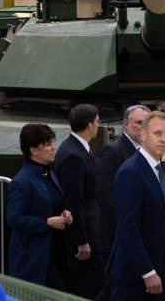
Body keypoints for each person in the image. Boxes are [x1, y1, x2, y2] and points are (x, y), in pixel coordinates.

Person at [109, 111, 165, 301]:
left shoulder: (159, 170)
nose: (164, 139)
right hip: (136, 276)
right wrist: (147, 272)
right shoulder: (131, 172)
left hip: (163, 270)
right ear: (143, 134)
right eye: (157, 133)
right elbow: (129, 227)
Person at [6, 123, 73, 290]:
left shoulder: (48, 173)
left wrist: (65, 213)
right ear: (33, 150)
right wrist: (46, 222)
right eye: (48, 144)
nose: (53, 148)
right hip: (34, 257)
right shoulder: (22, 181)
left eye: (52, 143)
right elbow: (14, 218)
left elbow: (54, 202)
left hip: (55, 251)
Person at [54, 104, 104, 299]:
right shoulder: (74, 155)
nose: (98, 126)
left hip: (90, 228)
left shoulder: (76, 148)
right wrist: (81, 241)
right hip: (84, 235)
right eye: (98, 122)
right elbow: (74, 201)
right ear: (90, 125)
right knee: (89, 285)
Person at [96, 105, 151, 264]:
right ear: (126, 124)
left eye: (146, 124)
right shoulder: (112, 152)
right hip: (119, 237)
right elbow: (106, 196)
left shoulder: (147, 152)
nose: (143, 128)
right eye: (139, 122)